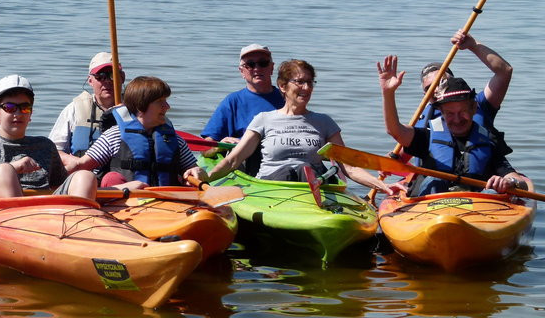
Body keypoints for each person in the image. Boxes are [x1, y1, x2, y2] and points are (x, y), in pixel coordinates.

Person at [208, 59, 400, 195]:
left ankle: (313, 187)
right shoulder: (263, 119)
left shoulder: (324, 122)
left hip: (311, 186)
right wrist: (205, 179)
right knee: (292, 170)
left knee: (304, 168)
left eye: (310, 82)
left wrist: (383, 186)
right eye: (300, 82)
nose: (307, 88)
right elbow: (234, 161)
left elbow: (348, 167)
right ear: (282, 86)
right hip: (271, 187)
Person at [378, 55, 530, 196]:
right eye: (450, 113)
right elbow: (395, 130)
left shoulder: (488, 142)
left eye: (462, 111)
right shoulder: (427, 136)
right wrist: (388, 94)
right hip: (431, 208)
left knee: (491, 192)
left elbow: (520, 182)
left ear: (473, 109)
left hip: (476, 207)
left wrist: (509, 182)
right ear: (441, 112)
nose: (457, 119)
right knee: (433, 182)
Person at [0, 75, 97, 199]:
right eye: (10, 108)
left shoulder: (45, 145)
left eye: (25, 108)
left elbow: (59, 185)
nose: (17, 114)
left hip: (45, 214)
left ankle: (79, 225)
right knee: (4, 170)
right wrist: (14, 167)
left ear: (30, 114)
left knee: (85, 176)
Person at [65, 76, 207, 188]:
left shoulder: (174, 139)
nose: (167, 107)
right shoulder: (114, 136)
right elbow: (81, 166)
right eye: (160, 101)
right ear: (141, 106)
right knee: (111, 178)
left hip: (168, 205)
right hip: (125, 205)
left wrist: (198, 172)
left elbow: (196, 170)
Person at [201, 44, 285, 174]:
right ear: (242, 71)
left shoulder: (288, 98)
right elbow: (205, 149)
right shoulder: (233, 101)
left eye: (263, 63)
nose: (257, 68)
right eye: (250, 65)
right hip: (247, 163)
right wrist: (220, 146)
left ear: (271, 68)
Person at [414, 30, 512, 130]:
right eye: (429, 88)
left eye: (441, 82)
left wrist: (473, 45)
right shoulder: (418, 119)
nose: (435, 90)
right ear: (424, 95)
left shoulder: (479, 104)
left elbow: (504, 72)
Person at [49, 51, 124, 170]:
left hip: (122, 180)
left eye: (113, 75)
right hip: (83, 177)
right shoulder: (74, 109)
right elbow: (53, 150)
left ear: (122, 78)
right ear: (90, 81)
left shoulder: (136, 109)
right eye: (101, 76)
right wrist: (80, 163)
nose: (108, 81)